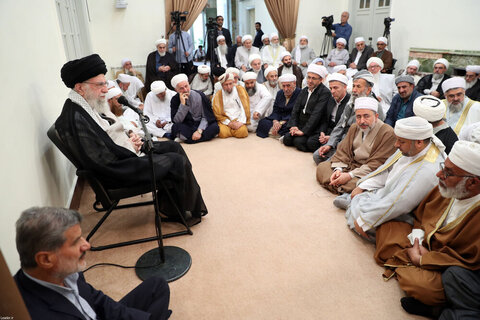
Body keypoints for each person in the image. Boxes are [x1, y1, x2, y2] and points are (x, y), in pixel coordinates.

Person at [57, 53, 207, 222]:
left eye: (105, 84)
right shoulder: (74, 118)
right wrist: (129, 147)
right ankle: (178, 210)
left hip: (119, 156)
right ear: (80, 87)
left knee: (174, 147)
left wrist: (128, 138)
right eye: (100, 85)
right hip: (117, 172)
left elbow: (105, 134)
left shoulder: (84, 104)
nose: (105, 89)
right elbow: (100, 161)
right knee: (176, 161)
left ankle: (172, 207)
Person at [375, 140, 480, 318]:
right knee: (387, 225)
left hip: (445, 266)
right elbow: (422, 215)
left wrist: (423, 259)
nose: (439, 174)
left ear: (472, 183)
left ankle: (414, 271)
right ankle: (410, 260)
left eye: (448, 172)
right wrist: (418, 236)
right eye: (443, 167)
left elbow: (469, 263)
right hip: (425, 244)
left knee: (423, 287)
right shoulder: (449, 188)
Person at [14, 207, 172, 320]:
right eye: (76, 242)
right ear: (46, 259)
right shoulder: (31, 312)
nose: (87, 245)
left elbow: (100, 303)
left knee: (157, 285)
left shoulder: (67, 272)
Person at [342, 117, 445, 246]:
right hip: (389, 194)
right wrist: (363, 186)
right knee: (359, 195)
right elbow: (387, 170)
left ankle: (355, 206)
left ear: (419, 142)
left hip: (406, 213)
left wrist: (364, 222)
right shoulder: (414, 147)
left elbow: (399, 203)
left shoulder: (425, 170)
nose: (396, 145)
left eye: (400, 141)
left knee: (361, 213)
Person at [316, 97, 396, 194]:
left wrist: (349, 175)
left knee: (360, 183)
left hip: (368, 171)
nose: (362, 121)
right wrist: (338, 170)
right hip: (350, 165)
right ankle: (340, 187)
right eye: (358, 117)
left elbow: (377, 163)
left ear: (376, 116)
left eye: (366, 116)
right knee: (322, 167)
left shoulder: (387, 132)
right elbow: (343, 152)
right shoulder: (354, 127)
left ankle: (336, 185)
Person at [316, 70, 381, 162]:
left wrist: (341, 146)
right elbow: (340, 125)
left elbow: (367, 136)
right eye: (353, 86)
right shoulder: (351, 101)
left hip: (356, 146)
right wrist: (330, 144)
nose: (354, 90)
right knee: (317, 156)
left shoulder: (374, 106)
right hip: (343, 140)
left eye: (358, 86)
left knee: (327, 166)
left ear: (369, 90)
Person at [283, 64, 330, 152]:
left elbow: (316, 114)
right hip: (301, 124)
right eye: (308, 77)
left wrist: (303, 131)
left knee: (299, 142)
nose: (310, 81)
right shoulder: (305, 90)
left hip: (315, 127)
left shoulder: (325, 93)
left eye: (313, 78)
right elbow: (295, 110)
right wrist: (294, 126)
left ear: (320, 80)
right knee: (287, 139)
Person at [313, 73, 351, 164]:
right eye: (330, 88)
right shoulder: (330, 99)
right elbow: (325, 118)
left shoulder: (350, 103)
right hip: (330, 131)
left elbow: (347, 129)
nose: (332, 91)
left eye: (335, 88)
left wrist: (331, 138)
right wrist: (322, 132)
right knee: (316, 155)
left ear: (345, 87)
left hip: (342, 137)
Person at [169, 74, 219, 144]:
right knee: (176, 127)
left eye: (186, 86)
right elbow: (177, 121)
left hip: (201, 124)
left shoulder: (200, 95)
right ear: (176, 90)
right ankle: (203, 137)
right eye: (181, 88)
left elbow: (206, 117)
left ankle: (188, 139)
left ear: (189, 84)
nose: (185, 90)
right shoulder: (175, 100)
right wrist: (183, 105)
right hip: (187, 125)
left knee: (215, 127)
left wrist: (199, 131)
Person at [257, 74, 301, 139]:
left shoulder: (301, 93)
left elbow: (297, 113)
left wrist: (281, 122)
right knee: (263, 122)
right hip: (279, 118)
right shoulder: (280, 93)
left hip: (291, 119)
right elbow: (276, 110)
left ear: (294, 84)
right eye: (284, 86)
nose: (286, 89)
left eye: (288, 86)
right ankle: (277, 133)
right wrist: (275, 121)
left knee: (289, 127)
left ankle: (275, 132)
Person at [211, 72, 250, 138]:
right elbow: (217, 113)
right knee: (223, 133)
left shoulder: (240, 90)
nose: (229, 87)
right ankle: (230, 129)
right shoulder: (218, 95)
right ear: (222, 85)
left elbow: (245, 108)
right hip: (225, 119)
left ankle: (236, 128)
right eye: (226, 85)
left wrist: (240, 122)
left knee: (242, 132)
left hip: (238, 118)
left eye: (230, 84)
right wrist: (229, 123)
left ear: (233, 82)